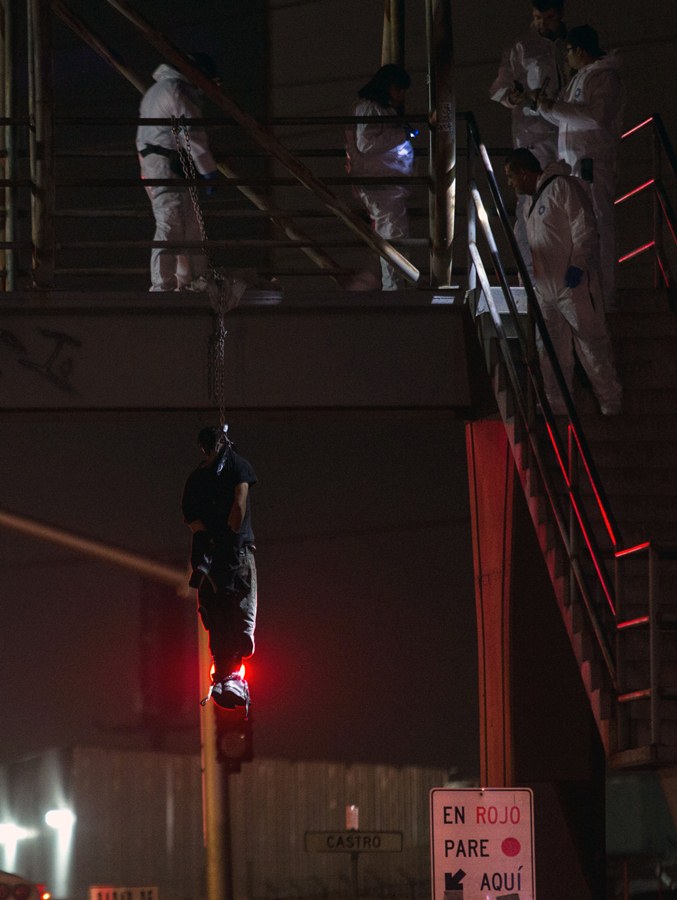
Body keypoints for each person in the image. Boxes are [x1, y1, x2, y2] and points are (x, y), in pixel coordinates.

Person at [504, 148, 622, 416]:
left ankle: (610, 400)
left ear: (524, 173)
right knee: (549, 350)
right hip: (546, 288)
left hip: (573, 285)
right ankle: (557, 403)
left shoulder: (562, 187)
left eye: (511, 176)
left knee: (590, 343)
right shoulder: (531, 204)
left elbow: (585, 227)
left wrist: (577, 266)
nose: (510, 183)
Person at [536, 25, 624, 310]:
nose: (567, 58)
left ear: (580, 51)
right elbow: (569, 117)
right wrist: (544, 107)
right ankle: (587, 292)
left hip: (592, 163)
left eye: (569, 52)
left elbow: (596, 117)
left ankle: (605, 296)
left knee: (598, 226)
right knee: (580, 230)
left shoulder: (605, 77)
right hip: (574, 165)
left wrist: (554, 108)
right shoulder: (582, 78)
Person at [490, 0, 570, 272]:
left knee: (566, 200)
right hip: (533, 135)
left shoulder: (571, 44)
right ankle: (530, 271)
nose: (541, 24)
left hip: (568, 135)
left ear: (559, 16)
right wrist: (514, 96)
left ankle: (562, 267)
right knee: (530, 200)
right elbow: (500, 87)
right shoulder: (521, 47)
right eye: (536, 17)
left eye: (547, 18)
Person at [182, 424, 258, 710]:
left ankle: (226, 676)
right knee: (239, 618)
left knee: (217, 617)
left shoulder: (196, 479)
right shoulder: (239, 466)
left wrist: (207, 540)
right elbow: (239, 505)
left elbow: (192, 518)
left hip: (209, 557)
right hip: (235, 553)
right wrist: (228, 538)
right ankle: (230, 677)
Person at [136, 54, 220, 292]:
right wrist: (208, 171)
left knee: (186, 223)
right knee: (173, 222)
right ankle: (165, 285)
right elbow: (192, 134)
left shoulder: (156, 91)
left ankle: (189, 280)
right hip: (168, 165)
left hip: (157, 163)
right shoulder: (177, 91)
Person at [345, 64, 415, 291]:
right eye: (399, 89)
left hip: (387, 186)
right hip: (381, 186)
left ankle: (392, 287)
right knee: (393, 238)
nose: (401, 95)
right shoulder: (369, 108)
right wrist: (402, 134)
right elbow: (367, 143)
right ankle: (393, 291)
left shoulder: (377, 109)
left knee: (392, 237)